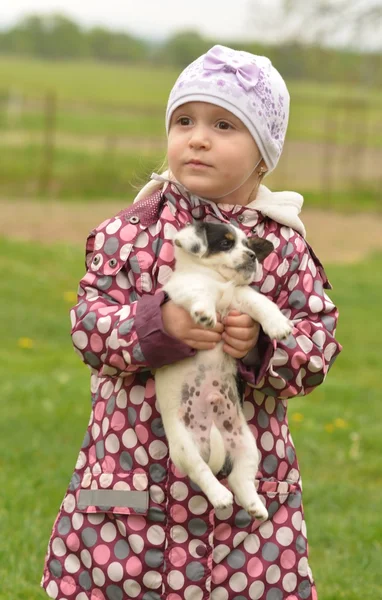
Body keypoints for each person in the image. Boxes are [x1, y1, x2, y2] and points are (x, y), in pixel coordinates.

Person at [41, 44, 342, 600]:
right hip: (134, 479)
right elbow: (88, 324)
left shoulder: (281, 247)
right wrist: (158, 325)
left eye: (224, 124)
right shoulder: (128, 233)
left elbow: (317, 344)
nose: (197, 137)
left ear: (263, 155)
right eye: (184, 121)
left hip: (246, 501)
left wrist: (258, 348)